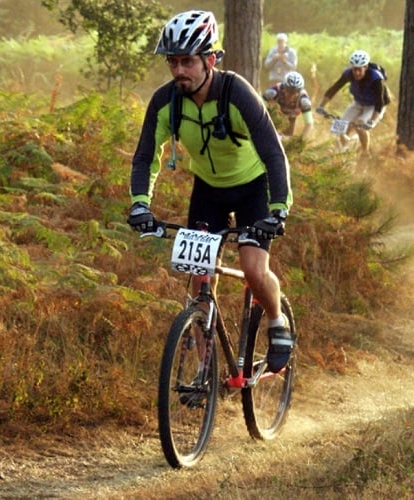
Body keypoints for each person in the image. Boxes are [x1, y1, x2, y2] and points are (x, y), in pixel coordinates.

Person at [127, 10, 294, 373]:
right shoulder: (165, 102)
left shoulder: (237, 93)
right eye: (173, 62)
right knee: (201, 276)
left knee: (252, 267)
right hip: (208, 191)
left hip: (253, 188)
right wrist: (141, 205)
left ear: (211, 59)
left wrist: (278, 210)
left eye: (187, 61)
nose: (179, 71)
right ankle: (207, 370)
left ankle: (276, 321)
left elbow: (273, 153)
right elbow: (144, 157)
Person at [315, 49, 388, 155]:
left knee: (360, 124)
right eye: (354, 70)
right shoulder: (348, 74)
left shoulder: (376, 78)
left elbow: (380, 102)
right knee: (340, 127)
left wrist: (372, 121)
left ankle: (365, 153)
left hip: (374, 106)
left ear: (366, 67)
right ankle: (342, 151)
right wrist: (321, 106)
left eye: (359, 70)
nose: (357, 73)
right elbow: (334, 88)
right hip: (359, 102)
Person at [263, 71, 314, 140]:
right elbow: (258, 107)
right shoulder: (273, 92)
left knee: (285, 141)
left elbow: (309, 123)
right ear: (284, 88)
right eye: (288, 92)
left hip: (290, 120)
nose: (291, 96)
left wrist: (301, 140)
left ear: (299, 92)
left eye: (294, 93)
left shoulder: (304, 100)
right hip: (273, 117)